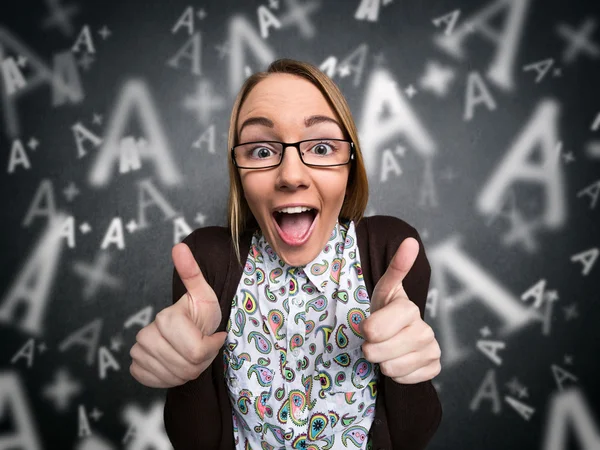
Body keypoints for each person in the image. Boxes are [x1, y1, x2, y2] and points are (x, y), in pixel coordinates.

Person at [129, 58, 442, 450]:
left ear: (350, 163)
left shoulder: (390, 252)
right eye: (261, 150)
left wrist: (409, 374)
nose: (291, 176)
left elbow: (413, 436)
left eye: (323, 146)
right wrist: (188, 372)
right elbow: (195, 442)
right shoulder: (205, 261)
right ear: (239, 173)